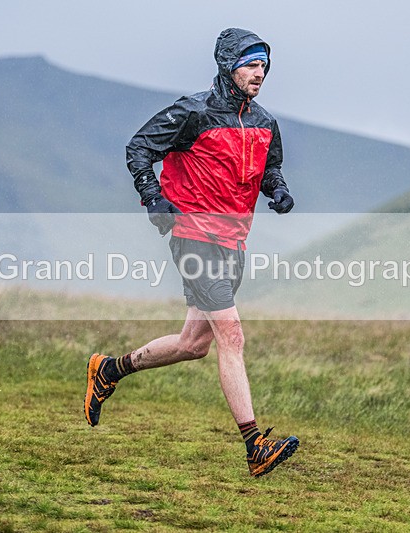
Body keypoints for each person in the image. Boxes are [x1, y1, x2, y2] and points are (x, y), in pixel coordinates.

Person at [85, 28, 298, 477]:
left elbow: (269, 166)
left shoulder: (263, 121)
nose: (259, 72)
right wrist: (153, 197)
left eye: (264, 64)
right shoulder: (193, 112)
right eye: (250, 63)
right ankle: (254, 444)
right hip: (194, 235)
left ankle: (109, 370)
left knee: (193, 344)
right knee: (232, 334)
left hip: (233, 242)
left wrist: (277, 190)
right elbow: (139, 148)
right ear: (227, 64)